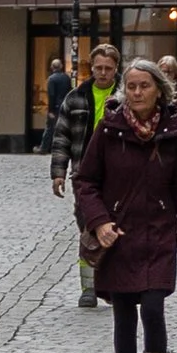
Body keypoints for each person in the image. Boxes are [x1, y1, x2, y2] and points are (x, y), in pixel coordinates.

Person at [74, 57, 177, 353]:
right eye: (131, 86)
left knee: (154, 308)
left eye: (144, 86)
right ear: (123, 91)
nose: (137, 92)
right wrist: (99, 223)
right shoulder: (109, 129)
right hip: (121, 238)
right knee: (124, 316)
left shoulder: (174, 132)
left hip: (159, 236)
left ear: (159, 89)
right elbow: (86, 181)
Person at [48, 42, 121, 307]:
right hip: (84, 174)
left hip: (120, 177)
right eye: (99, 68)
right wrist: (58, 172)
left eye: (108, 68)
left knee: (116, 229)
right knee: (89, 230)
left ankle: (113, 286)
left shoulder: (126, 96)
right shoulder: (76, 97)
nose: (103, 73)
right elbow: (61, 137)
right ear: (92, 68)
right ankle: (88, 288)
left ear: (116, 69)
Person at [44, 58, 72, 148]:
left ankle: (44, 147)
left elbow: (51, 95)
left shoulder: (51, 79)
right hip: (66, 105)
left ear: (52, 67)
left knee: (50, 127)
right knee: (65, 127)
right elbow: (70, 91)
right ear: (61, 66)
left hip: (56, 106)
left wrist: (50, 110)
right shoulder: (66, 78)